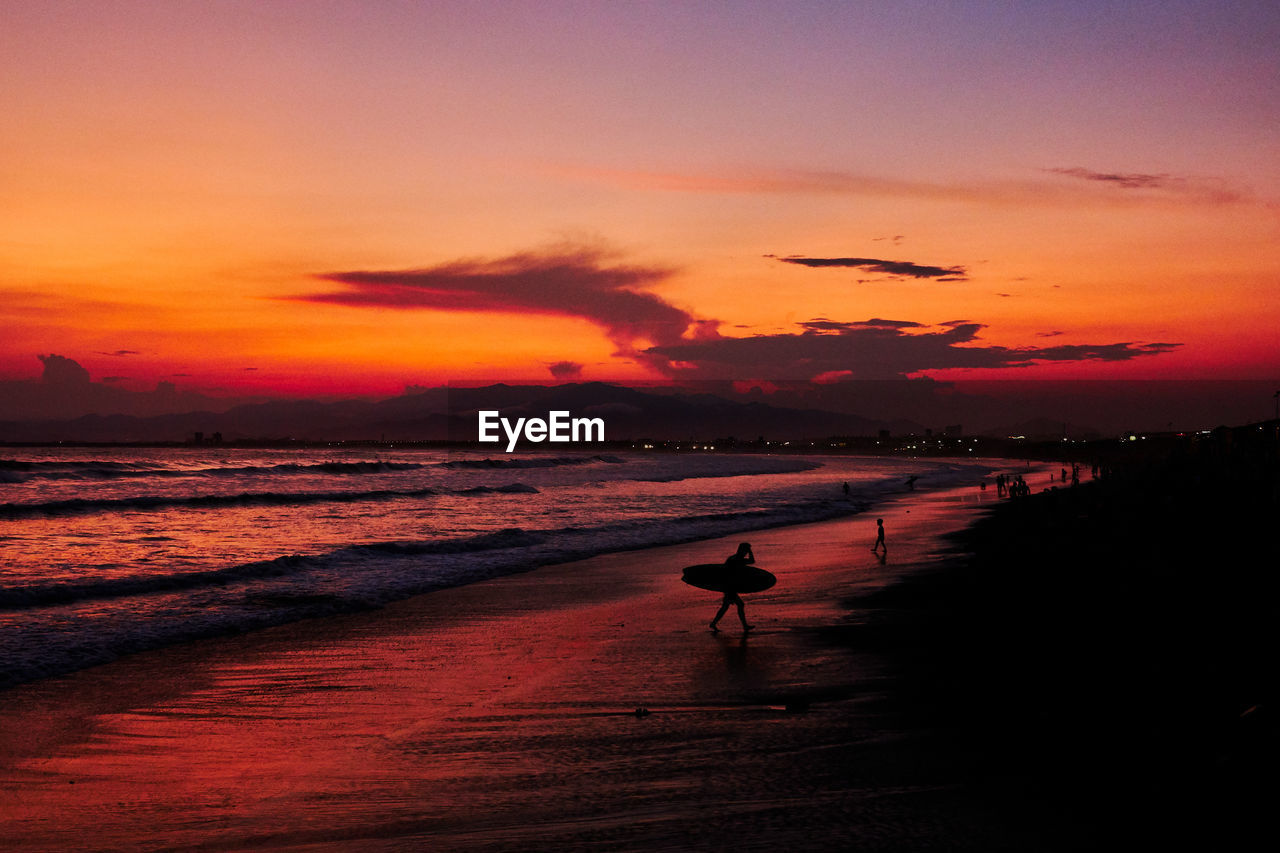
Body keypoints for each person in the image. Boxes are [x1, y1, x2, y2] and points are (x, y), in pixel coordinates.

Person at [711, 542, 755, 633]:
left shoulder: (733, 558)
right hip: (729, 587)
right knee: (739, 605)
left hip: (728, 586)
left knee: (726, 606)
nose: (747, 553)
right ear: (742, 550)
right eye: (746, 550)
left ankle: (713, 623)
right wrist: (751, 551)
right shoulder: (737, 559)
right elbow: (752, 561)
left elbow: (723, 572)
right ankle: (745, 626)